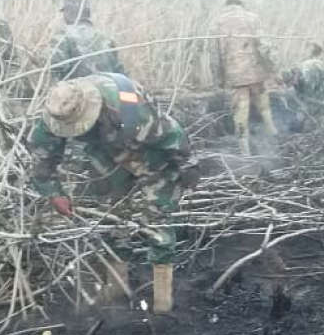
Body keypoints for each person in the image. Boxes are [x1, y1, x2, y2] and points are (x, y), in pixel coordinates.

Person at [28, 73, 199, 313]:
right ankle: (117, 288)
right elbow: (42, 159)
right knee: (111, 217)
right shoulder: (56, 114)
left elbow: (173, 136)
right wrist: (54, 192)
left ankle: (163, 302)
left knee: (158, 220)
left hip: (152, 153)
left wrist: (188, 168)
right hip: (106, 155)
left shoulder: (131, 107)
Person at [211, 0, 278, 156]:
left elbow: (215, 55)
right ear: (242, 3)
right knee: (264, 109)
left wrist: (218, 79)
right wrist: (273, 69)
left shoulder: (217, 23)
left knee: (241, 116)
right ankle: (276, 141)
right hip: (257, 75)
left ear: (226, 4)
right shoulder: (253, 18)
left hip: (235, 78)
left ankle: (245, 154)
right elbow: (265, 46)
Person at [49, 0, 123, 80]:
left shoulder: (62, 36)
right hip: (110, 90)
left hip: (79, 92)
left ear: (68, 13)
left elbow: (56, 74)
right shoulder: (106, 37)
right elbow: (120, 74)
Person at [287, 41, 324, 132]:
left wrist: (295, 89)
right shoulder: (323, 64)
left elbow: (309, 86)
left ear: (310, 51)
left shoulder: (309, 65)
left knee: (309, 126)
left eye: (305, 49)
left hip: (317, 102)